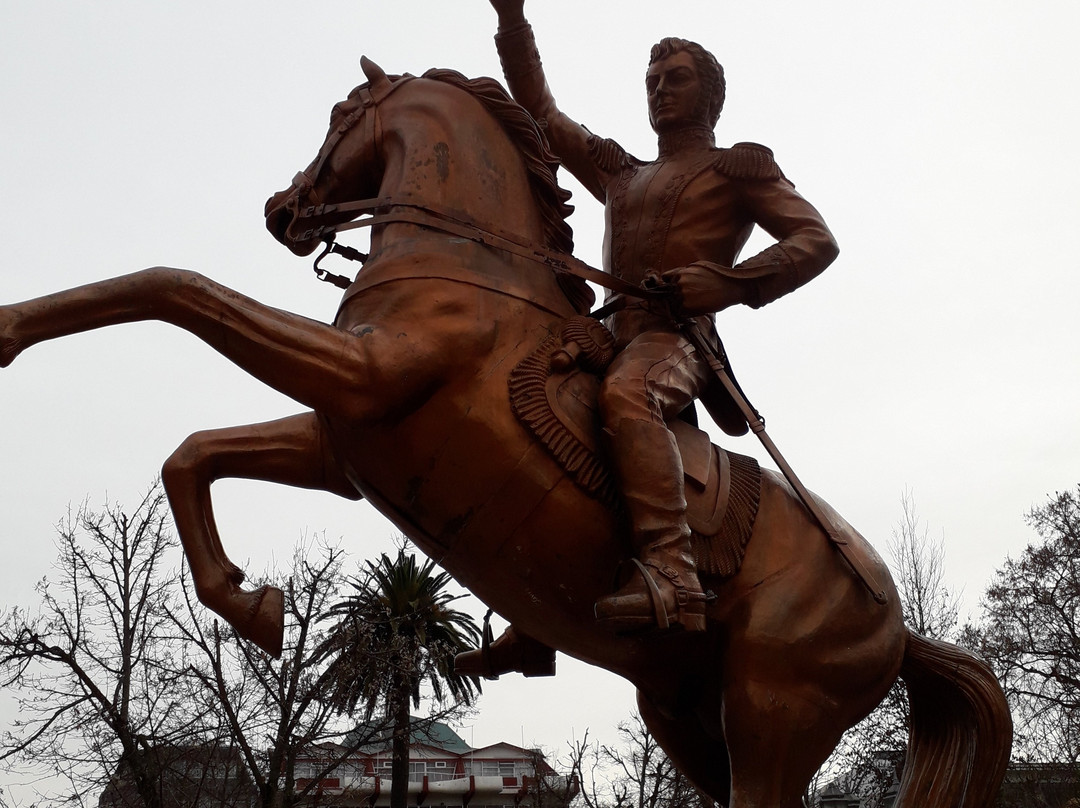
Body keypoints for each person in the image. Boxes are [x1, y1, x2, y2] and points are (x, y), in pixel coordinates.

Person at [456, 0, 839, 678]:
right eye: (653, 80)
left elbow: (815, 240)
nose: (660, 89)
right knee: (523, 407)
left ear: (708, 94)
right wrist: (512, 15)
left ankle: (671, 572)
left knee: (630, 397)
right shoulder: (620, 173)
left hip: (675, 342)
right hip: (607, 332)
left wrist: (726, 282)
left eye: (677, 78)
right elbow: (541, 114)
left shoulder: (737, 169)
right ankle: (538, 614)